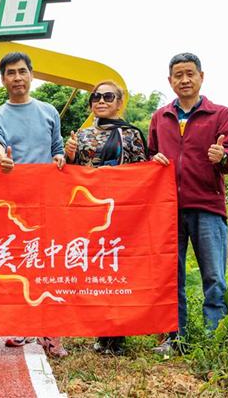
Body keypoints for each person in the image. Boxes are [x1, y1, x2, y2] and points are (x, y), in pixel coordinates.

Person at [148, 53, 228, 354]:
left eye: (190, 73)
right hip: (168, 209)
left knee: (213, 276)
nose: (184, 80)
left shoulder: (220, 114)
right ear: (170, 80)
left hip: (207, 206)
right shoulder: (160, 117)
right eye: (178, 75)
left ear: (202, 76)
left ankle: (215, 340)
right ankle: (176, 339)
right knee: (171, 277)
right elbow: (150, 155)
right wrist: (153, 160)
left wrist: (222, 157)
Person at [0, 52, 68, 358]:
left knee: (50, 263)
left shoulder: (49, 111)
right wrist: (0, 156)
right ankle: (20, 325)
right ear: (3, 79)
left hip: (47, 201)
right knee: (18, 264)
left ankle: (52, 333)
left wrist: (60, 156)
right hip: (12, 204)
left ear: (32, 75)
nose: (17, 78)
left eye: (22, 71)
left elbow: (57, 147)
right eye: (11, 73)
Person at [64, 80, 148, 356]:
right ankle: (98, 330)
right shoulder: (82, 135)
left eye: (108, 96)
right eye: (96, 97)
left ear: (119, 102)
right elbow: (73, 174)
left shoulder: (131, 135)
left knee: (117, 270)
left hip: (121, 211)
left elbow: (142, 172)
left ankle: (117, 335)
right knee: (94, 270)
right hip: (90, 211)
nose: (101, 101)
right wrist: (69, 156)